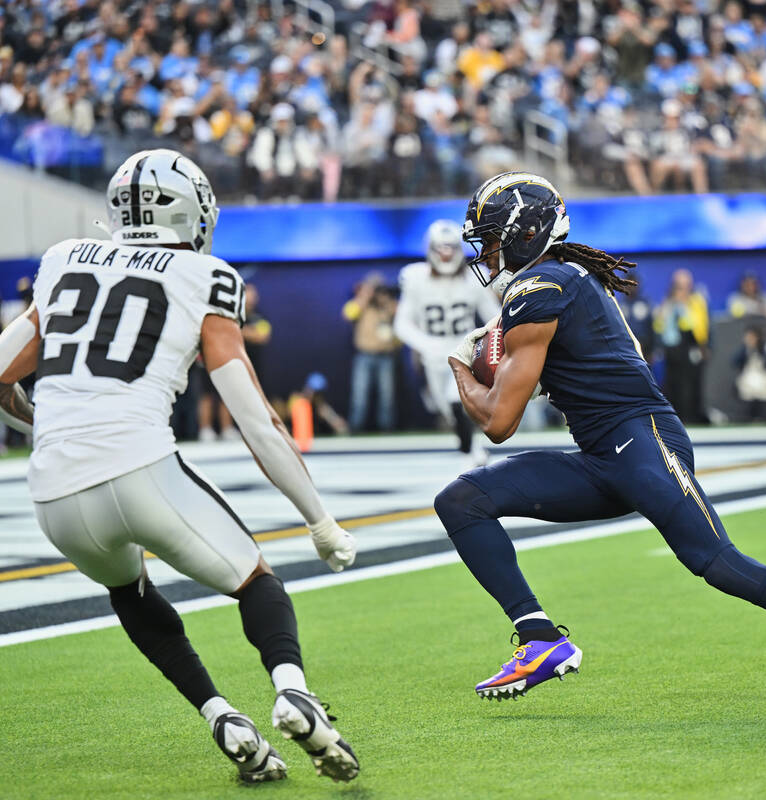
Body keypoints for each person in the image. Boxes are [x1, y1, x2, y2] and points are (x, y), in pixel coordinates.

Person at [435, 172, 766, 711]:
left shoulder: (542, 287)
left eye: (494, 237)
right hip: (604, 452)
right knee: (462, 499)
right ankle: (540, 638)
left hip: (640, 442)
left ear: (526, 232)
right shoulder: (562, 279)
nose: (488, 252)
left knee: (719, 563)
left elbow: (499, 422)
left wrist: (458, 365)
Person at [0, 150, 360, 782]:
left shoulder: (61, 260)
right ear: (193, 212)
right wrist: (320, 520)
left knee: (130, 592)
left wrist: (51, 423)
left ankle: (220, 714)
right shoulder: (206, 275)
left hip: (54, 493)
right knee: (256, 581)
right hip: (140, 467)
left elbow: (2, 373)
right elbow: (257, 422)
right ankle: (293, 691)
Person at [393, 219, 500, 466]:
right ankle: (470, 448)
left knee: (458, 400)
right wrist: (426, 344)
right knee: (447, 409)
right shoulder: (415, 277)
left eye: (450, 247)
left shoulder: (473, 279)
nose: (446, 254)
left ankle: (474, 452)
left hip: (463, 347)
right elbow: (402, 323)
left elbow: (494, 317)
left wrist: (483, 345)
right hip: (433, 352)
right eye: (441, 248)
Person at [343, 272, 398, 432]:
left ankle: (387, 429)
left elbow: (400, 314)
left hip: (386, 356)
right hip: (364, 355)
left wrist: (386, 299)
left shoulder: (388, 304)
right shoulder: (361, 305)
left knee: (387, 396)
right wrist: (366, 294)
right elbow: (348, 314)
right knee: (359, 394)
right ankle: (355, 428)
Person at [655, 269, 709, 424]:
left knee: (691, 384)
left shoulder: (696, 301)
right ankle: (675, 418)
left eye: (685, 286)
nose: (682, 289)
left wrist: (684, 307)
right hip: (672, 351)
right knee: (673, 384)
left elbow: (699, 326)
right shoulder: (668, 303)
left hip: (691, 347)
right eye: (679, 286)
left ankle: (692, 417)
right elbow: (659, 326)